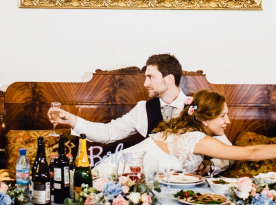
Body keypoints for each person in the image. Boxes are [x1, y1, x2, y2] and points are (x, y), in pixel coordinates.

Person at [56, 54, 231, 173]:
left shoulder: (199, 106)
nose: (145, 83)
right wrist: (72, 120)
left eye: (150, 77)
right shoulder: (143, 109)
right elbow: (108, 133)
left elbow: (228, 151)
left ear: (169, 79)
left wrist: (211, 165)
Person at [120, 90, 276, 173]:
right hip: (117, 175)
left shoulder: (188, 130)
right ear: (204, 118)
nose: (228, 121)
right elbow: (250, 153)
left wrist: (207, 165)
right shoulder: (196, 138)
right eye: (222, 116)